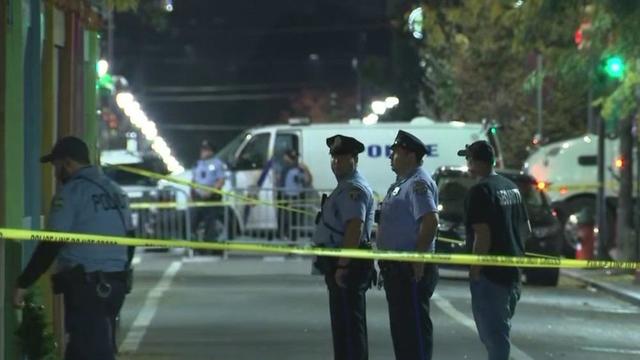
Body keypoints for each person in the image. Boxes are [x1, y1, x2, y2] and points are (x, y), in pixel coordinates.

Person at [13, 136, 132, 360]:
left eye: (56, 166)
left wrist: (24, 282)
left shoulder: (72, 193)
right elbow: (131, 237)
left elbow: (52, 242)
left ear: (67, 163)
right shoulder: (116, 191)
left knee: (90, 351)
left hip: (88, 287)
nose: (56, 174)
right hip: (116, 284)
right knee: (83, 349)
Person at [458, 140, 530, 360]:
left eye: (469, 159)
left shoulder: (480, 191)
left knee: (494, 336)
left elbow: (482, 234)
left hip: (490, 275)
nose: (468, 164)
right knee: (501, 330)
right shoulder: (511, 187)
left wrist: (475, 268)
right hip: (513, 272)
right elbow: (526, 228)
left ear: (475, 162)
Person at [376, 130, 439, 360]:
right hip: (396, 268)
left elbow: (430, 221)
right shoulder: (402, 183)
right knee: (402, 332)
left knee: (414, 333)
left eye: (395, 152)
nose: (391, 156)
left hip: (409, 269)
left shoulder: (418, 183)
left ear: (410, 156)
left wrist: (418, 259)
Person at [311, 134, 375, 360]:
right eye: (333, 158)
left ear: (354, 159)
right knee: (344, 326)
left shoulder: (353, 189)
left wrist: (343, 266)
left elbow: (354, 228)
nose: (336, 162)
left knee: (349, 328)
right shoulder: (345, 186)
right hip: (341, 264)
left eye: (342, 158)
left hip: (348, 266)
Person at [191, 140, 227, 250]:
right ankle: (196, 245)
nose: (203, 152)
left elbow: (221, 180)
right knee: (194, 221)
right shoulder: (197, 164)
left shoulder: (217, 163)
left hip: (211, 197)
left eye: (206, 150)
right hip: (198, 197)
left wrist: (210, 191)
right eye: (202, 149)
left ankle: (211, 246)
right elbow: (194, 180)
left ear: (211, 151)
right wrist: (191, 193)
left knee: (210, 222)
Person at [277, 149, 312, 240]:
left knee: (294, 219)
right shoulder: (285, 168)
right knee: (287, 218)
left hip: (295, 197)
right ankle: (287, 235)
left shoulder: (300, 168)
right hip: (287, 197)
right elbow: (281, 182)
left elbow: (307, 181)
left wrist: (305, 170)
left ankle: (292, 238)